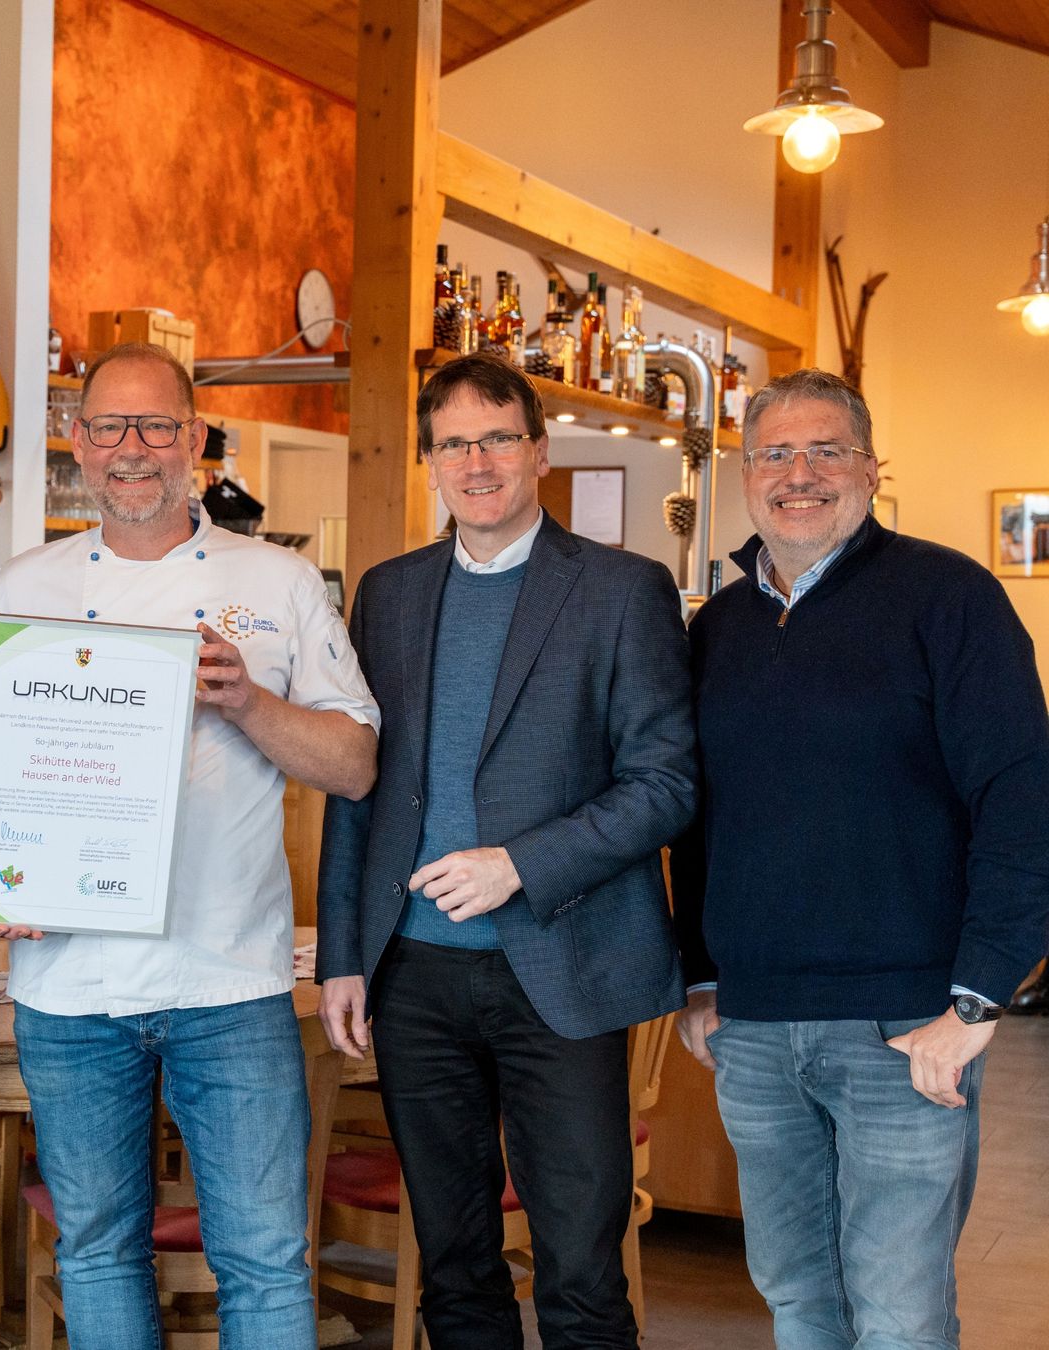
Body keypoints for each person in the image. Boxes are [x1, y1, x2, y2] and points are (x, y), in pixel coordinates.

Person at [0, 341, 378, 1348]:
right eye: (109, 427)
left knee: (265, 1258)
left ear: (195, 439)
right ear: (77, 443)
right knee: (99, 1251)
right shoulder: (24, 588)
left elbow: (356, 763)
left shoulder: (276, 582)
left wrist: (249, 702)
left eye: (157, 426)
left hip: (226, 979)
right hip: (67, 989)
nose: (133, 450)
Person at [317, 353, 695, 1349]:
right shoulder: (389, 594)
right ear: (431, 463)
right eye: (454, 444)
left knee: (579, 1272)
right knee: (454, 1269)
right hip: (415, 979)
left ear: (536, 452)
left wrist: (518, 864)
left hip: (563, 969)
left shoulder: (621, 589)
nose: (476, 461)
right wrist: (346, 954)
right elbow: (360, 785)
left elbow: (665, 785)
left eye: (497, 438)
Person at [671, 368, 1049, 1348]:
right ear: (746, 475)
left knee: (898, 1312)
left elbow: (1023, 800)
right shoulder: (719, 629)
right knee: (797, 1295)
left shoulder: (948, 598)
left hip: (907, 1024)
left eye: (826, 449)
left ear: (871, 469)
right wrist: (702, 975)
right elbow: (700, 816)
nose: (799, 473)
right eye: (774, 454)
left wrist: (978, 998)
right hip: (754, 1029)